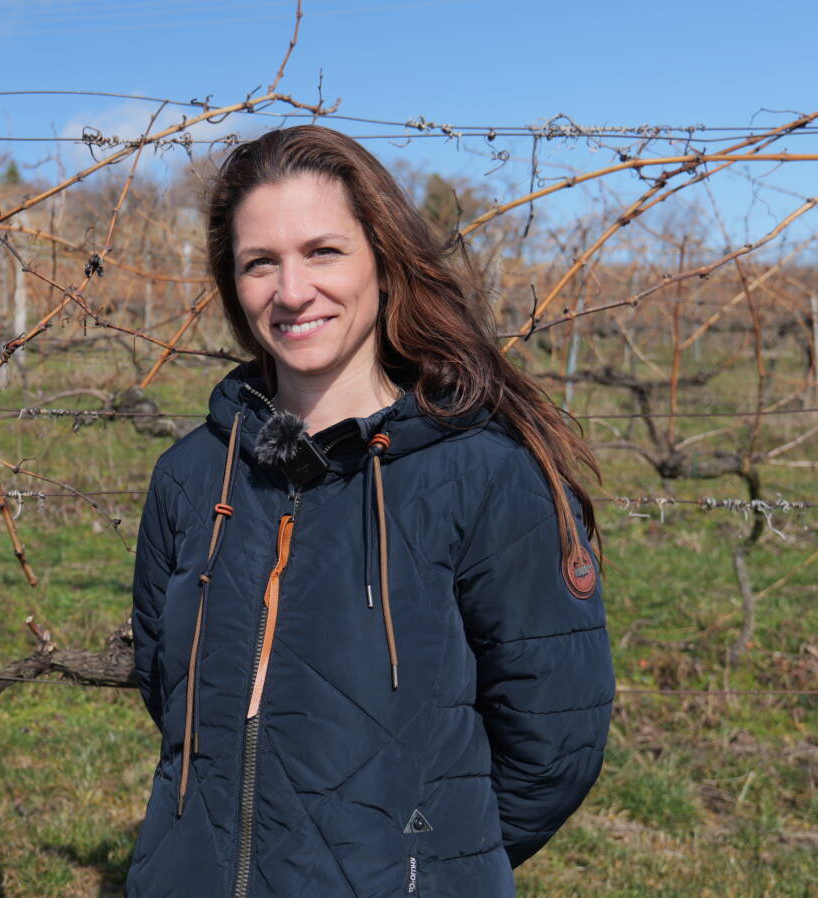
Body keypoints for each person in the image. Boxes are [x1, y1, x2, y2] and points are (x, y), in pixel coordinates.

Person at [127, 125, 613, 896]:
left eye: (323, 251)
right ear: (233, 285)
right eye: (261, 263)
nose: (291, 292)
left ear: (383, 263)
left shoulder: (486, 474)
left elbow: (553, 738)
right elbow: (169, 693)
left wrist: (422, 861)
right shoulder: (191, 477)